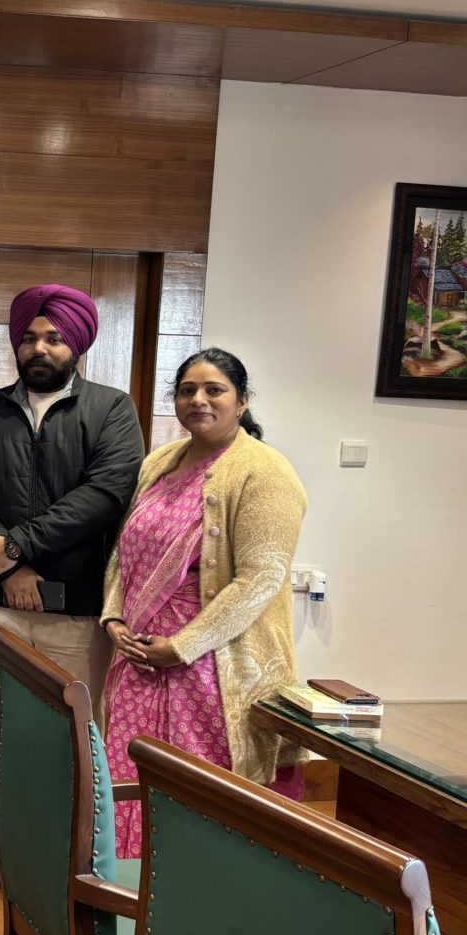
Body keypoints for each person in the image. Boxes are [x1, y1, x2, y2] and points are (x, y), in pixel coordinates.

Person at [0, 284, 143, 893]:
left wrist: (17, 546)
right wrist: (8, 569)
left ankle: (73, 864)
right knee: (4, 732)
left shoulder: (111, 410)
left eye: (53, 338)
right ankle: (6, 855)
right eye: (29, 337)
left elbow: (104, 494)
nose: (39, 348)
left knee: (75, 736)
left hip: (75, 608)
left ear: (76, 344)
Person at [101, 347, 307, 858]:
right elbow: (125, 550)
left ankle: (194, 897)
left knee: (196, 801)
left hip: (211, 670)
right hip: (139, 662)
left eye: (215, 390)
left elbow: (260, 579)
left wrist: (183, 646)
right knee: (129, 784)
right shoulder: (160, 462)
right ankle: (130, 889)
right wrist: (112, 617)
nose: (199, 400)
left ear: (242, 401)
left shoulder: (265, 472)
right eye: (187, 390)